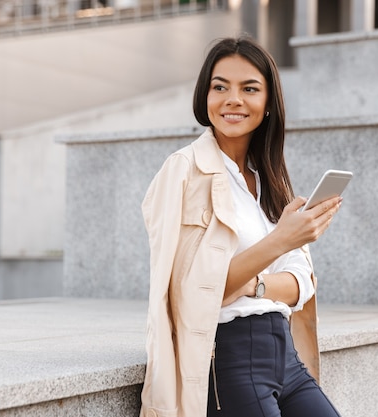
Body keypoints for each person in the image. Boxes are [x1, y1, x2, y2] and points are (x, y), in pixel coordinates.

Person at [139, 36, 342, 417]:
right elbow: (190, 291)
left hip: (286, 356)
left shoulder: (270, 179)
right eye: (220, 87)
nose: (233, 99)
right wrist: (280, 242)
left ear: (268, 104)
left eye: (249, 89)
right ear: (205, 96)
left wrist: (253, 283)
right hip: (230, 356)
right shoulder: (183, 170)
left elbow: (301, 284)